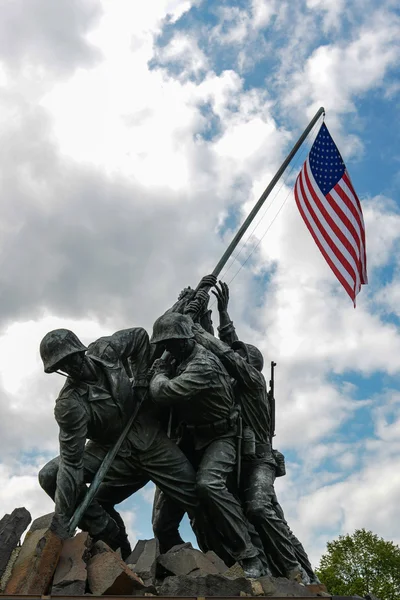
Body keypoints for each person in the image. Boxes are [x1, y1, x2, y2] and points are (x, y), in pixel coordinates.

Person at [38, 327, 200, 558]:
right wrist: (62, 521)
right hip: (108, 451)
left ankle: (233, 554)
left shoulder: (106, 350)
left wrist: (142, 377)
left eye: (71, 358)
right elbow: (71, 463)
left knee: (198, 498)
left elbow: (140, 337)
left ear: (80, 350)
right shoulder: (69, 404)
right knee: (49, 475)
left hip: (149, 439)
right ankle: (108, 533)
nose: (70, 366)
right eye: (61, 365)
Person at [192, 281, 306, 583]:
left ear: (248, 365)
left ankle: (297, 572)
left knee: (259, 508)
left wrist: (202, 331)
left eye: (241, 357)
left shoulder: (253, 382)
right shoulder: (231, 383)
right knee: (230, 513)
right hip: (239, 457)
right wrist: (215, 313)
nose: (234, 358)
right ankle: (253, 567)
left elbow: (227, 354)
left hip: (259, 460)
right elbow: (227, 349)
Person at [149, 312, 264, 578]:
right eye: (165, 344)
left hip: (221, 437)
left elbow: (164, 392)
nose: (167, 349)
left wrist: (159, 374)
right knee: (162, 522)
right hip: (189, 439)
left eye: (172, 343)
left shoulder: (203, 364)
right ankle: (182, 567)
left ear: (186, 339)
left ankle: (249, 555)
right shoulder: (180, 357)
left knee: (209, 484)